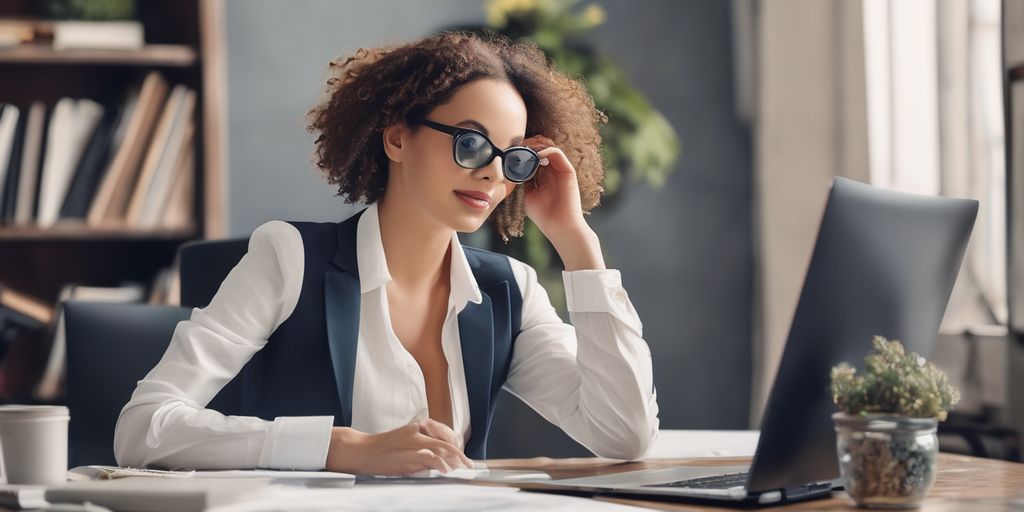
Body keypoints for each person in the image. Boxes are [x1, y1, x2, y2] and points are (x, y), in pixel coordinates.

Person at [114, 31, 659, 476]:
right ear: (397, 139)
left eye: (513, 157)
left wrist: (577, 243)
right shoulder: (290, 257)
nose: (493, 171)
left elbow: (624, 434)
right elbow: (143, 429)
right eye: (470, 143)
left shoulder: (508, 290)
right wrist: (338, 448)